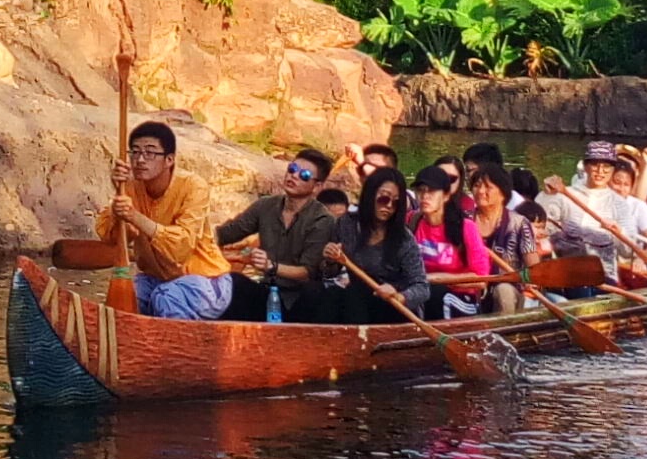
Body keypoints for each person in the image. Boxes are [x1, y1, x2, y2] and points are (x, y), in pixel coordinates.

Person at [105, 121, 234, 318]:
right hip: (156, 278)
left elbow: (181, 248)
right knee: (127, 300)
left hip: (204, 280)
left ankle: (175, 348)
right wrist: (118, 197)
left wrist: (134, 216)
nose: (140, 159)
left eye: (150, 153)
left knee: (166, 297)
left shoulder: (193, 187)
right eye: (135, 152)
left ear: (169, 160)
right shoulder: (129, 188)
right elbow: (110, 237)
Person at [217, 151, 347, 321]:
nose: (294, 176)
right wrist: (191, 232)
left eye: (304, 175)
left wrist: (271, 266)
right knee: (233, 283)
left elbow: (308, 272)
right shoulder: (265, 206)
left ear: (317, 187)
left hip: (301, 301)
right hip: (269, 292)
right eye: (292, 169)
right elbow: (228, 233)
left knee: (314, 291)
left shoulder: (322, 220)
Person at [317, 168, 436, 323]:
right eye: (383, 199)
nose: (388, 206)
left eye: (395, 203)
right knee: (330, 294)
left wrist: (398, 296)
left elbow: (422, 287)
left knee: (354, 297)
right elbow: (330, 272)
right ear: (370, 195)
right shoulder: (347, 224)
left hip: (392, 307)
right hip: (357, 300)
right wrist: (331, 260)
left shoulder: (404, 240)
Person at [418, 166, 533, 314]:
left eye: (488, 187)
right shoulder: (461, 218)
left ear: (503, 193)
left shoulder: (519, 223)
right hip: (465, 291)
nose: (480, 191)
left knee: (503, 291)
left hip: (505, 288)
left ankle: (506, 332)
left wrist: (529, 284)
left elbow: (533, 269)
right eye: (477, 186)